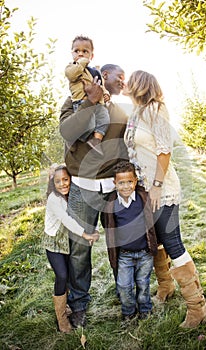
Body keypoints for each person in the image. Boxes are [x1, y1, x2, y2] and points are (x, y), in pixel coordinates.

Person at [123, 70, 206, 328]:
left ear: (140, 85)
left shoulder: (155, 110)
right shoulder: (136, 114)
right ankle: (166, 287)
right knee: (156, 239)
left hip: (162, 187)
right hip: (145, 188)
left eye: (130, 81)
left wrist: (158, 185)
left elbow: (164, 151)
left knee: (172, 241)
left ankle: (197, 307)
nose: (125, 84)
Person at [59, 64, 128, 328]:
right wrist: (90, 101)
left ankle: (126, 298)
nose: (123, 81)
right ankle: (78, 306)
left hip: (112, 190)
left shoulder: (119, 112)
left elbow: (124, 148)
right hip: (82, 189)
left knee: (120, 246)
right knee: (79, 250)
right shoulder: (74, 103)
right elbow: (68, 133)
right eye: (118, 76)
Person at [44, 164, 99, 333]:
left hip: (67, 242)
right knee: (61, 275)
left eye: (66, 180)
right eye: (58, 181)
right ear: (53, 183)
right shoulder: (54, 199)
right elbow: (66, 220)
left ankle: (69, 305)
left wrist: (92, 229)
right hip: (54, 244)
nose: (63, 184)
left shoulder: (72, 197)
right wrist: (85, 235)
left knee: (70, 272)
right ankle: (61, 319)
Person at [103, 161, 157, 321]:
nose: (126, 186)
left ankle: (145, 309)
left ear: (135, 180)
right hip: (124, 255)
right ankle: (128, 312)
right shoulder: (111, 204)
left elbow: (153, 223)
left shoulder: (143, 198)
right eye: (121, 183)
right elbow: (107, 225)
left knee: (143, 284)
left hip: (145, 253)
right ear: (114, 183)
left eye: (129, 182)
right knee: (124, 286)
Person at [65, 35, 110, 155]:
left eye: (85, 51)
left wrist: (105, 93)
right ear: (72, 53)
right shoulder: (72, 67)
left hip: (98, 104)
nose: (80, 54)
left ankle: (96, 140)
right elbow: (72, 75)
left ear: (92, 55)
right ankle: (73, 138)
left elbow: (101, 85)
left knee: (105, 119)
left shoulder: (95, 71)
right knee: (87, 124)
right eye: (77, 51)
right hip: (81, 102)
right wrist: (82, 63)